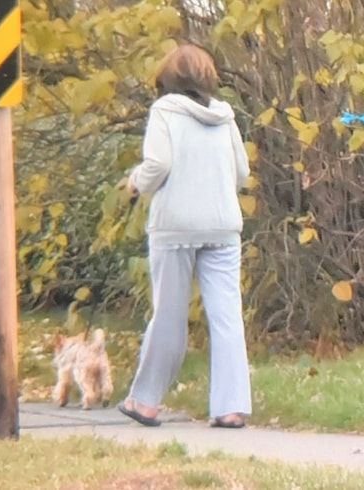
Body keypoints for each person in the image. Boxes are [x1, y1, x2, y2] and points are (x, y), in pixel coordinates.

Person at [118, 43, 252, 428]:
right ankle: (230, 409)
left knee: (170, 315)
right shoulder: (225, 116)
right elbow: (241, 173)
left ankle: (145, 403)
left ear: (167, 79)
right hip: (223, 226)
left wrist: (136, 183)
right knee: (227, 316)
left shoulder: (164, 112)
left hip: (175, 225)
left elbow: (158, 163)